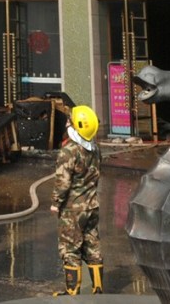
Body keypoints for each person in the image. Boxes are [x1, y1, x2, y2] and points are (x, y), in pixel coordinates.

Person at [50, 104, 103, 295]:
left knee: (70, 249)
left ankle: (72, 293)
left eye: (69, 120)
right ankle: (98, 288)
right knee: (92, 245)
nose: (67, 122)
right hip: (92, 206)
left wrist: (56, 203)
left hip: (73, 209)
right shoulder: (95, 149)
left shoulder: (69, 151)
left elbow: (62, 182)